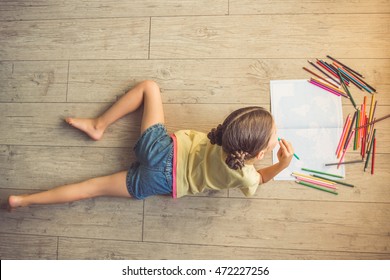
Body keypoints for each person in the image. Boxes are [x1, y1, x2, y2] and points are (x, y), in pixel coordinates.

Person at [7, 80, 294, 208]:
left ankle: (99, 125)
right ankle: (23, 201)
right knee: (91, 188)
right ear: (258, 153)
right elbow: (260, 179)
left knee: (150, 87)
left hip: (160, 148)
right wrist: (283, 163)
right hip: (161, 182)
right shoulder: (244, 175)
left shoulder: (224, 137)